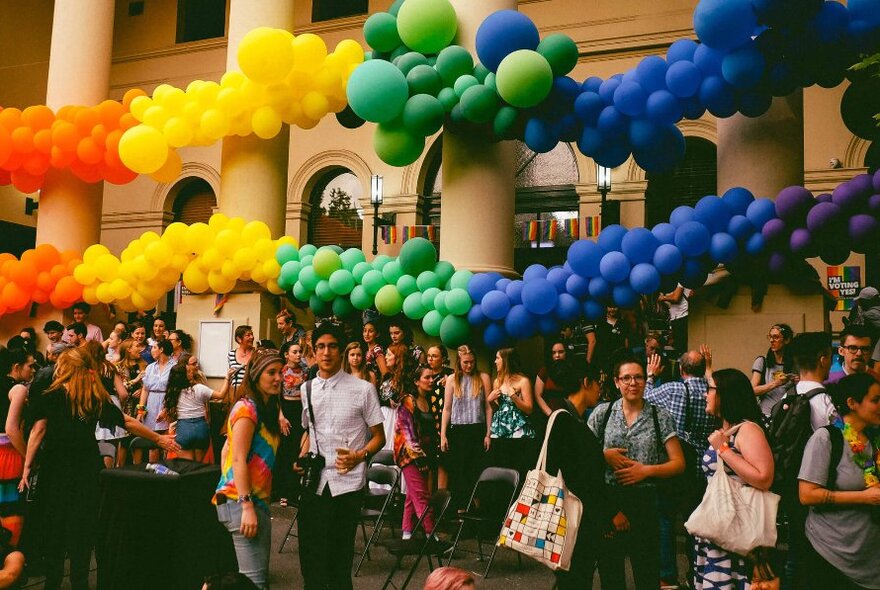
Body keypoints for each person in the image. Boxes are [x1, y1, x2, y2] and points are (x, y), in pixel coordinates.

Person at [19, 347, 178, 590]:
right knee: (82, 530)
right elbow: (126, 421)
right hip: (86, 468)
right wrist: (158, 439)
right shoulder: (94, 397)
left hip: (56, 469)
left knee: (56, 528)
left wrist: (27, 467)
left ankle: (52, 581)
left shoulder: (51, 395)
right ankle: (80, 581)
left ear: (65, 369)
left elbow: (38, 430)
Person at [297, 323, 385, 590]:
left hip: (347, 483)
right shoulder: (307, 389)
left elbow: (379, 437)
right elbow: (309, 429)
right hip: (314, 482)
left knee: (338, 557)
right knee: (310, 556)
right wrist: (302, 457)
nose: (326, 353)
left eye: (332, 346)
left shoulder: (363, 389)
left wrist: (360, 455)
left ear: (342, 351)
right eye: (321, 346)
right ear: (314, 350)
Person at [587, 355, 685, 590]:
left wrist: (646, 471)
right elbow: (583, 458)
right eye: (626, 378)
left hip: (645, 501)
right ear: (616, 382)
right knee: (611, 573)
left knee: (647, 572)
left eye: (638, 377)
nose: (633, 383)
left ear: (645, 380)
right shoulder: (603, 413)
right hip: (609, 501)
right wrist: (604, 456)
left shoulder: (659, 416)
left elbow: (679, 463)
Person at [545, 363, 626, 590]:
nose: (600, 390)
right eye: (598, 384)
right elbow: (579, 477)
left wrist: (600, 457)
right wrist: (610, 512)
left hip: (573, 514)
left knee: (572, 576)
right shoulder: (567, 422)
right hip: (577, 517)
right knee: (576, 577)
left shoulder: (564, 417)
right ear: (586, 383)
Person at [693, 368, 774, 590]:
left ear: (726, 394)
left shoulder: (747, 430)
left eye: (710, 389)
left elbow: (764, 478)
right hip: (720, 527)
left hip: (737, 533)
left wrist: (724, 450)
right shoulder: (726, 431)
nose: (704, 395)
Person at [798, 372, 880, 590]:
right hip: (830, 555)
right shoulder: (827, 439)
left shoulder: (875, 439)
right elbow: (807, 495)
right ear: (852, 403)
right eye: (875, 400)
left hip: (869, 560)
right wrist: (863, 498)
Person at [645, 348, 719, 587]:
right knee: (696, 522)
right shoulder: (712, 391)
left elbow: (644, 399)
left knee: (666, 520)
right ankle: (696, 574)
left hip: (675, 464)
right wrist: (709, 370)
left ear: (680, 369)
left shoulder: (675, 388)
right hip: (702, 469)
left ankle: (667, 576)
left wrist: (650, 376)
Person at [212, 347, 283, 589]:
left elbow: (226, 451)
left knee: (251, 580)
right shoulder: (247, 409)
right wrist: (245, 503)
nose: (278, 378)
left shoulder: (265, 408)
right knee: (255, 583)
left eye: (280, 372)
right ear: (255, 374)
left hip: (251, 500)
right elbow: (238, 459)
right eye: (271, 372)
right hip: (244, 502)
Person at [440, 344, 492, 510]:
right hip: (458, 431)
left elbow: (488, 407)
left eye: (472, 362)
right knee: (459, 473)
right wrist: (443, 435)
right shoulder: (452, 379)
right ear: (459, 362)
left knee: (475, 472)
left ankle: (476, 510)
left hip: (477, 430)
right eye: (465, 362)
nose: (469, 365)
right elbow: (447, 408)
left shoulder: (483, 377)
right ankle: (461, 512)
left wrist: (488, 433)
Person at [394, 366, 437, 539]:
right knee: (421, 495)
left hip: (425, 453)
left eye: (432, 377)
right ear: (416, 381)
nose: (431, 381)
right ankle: (430, 533)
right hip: (409, 455)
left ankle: (407, 532)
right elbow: (407, 433)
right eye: (427, 378)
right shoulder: (408, 401)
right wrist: (420, 458)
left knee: (412, 495)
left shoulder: (428, 400)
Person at [162, 358, 232, 461]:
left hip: (184, 428)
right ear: (185, 376)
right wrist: (227, 378)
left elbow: (169, 411)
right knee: (199, 467)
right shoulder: (199, 388)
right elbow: (221, 395)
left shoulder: (174, 392)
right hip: (201, 428)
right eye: (188, 371)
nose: (191, 371)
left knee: (187, 467)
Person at [0, 347, 35, 547]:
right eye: (30, 366)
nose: (33, 370)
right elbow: (12, 429)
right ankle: (9, 555)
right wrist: (29, 458)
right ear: (16, 367)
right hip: (7, 453)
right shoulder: (18, 389)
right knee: (10, 508)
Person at [487, 348, 536, 481]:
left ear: (506, 361)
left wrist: (514, 397)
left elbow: (529, 409)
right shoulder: (497, 381)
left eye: (498, 358)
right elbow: (497, 409)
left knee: (519, 468)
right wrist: (490, 401)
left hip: (518, 431)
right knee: (501, 467)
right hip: (501, 430)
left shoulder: (523, 381)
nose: (495, 361)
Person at [277, 340, 308, 507]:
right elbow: (277, 396)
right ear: (286, 354)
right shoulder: (281, 371)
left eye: (299, 351)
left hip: (300, 410)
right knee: (286, 451)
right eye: (294, 352)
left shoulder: (305, 371)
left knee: (299, 450)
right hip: (286, 410)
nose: (298, 354)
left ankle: (294, 492)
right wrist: (281, 416)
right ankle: (283, 492)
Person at [137, 338, 176, 464]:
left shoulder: (174, 366)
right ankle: (153, 470)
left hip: (167, 401)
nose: (151, 351)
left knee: (167, 439)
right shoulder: (150, 367)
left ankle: (167, 469)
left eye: (154, 348)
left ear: (161, 349)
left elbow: (175, 390)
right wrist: (141, 409)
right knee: (152, 442)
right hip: (152, 402)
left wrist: (166, 409)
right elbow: (145, 389)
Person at [751, 323, 797, 417]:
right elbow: (751, 390)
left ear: (787, 340)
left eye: (776, 337)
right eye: (770, 337)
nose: (771, 340)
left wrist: (799, 381)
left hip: (786, 416)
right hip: (765, 414)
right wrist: (776, 383)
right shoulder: (762, 361)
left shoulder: (795, 363)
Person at [426, 345, 452, 488]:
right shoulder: (423, 373)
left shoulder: (450, 375)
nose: (430, 359)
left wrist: (449, 384)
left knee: (444, 461)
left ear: (443, 359)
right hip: (428, 420)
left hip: (444, 421)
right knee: (429, 462)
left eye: (434, 356)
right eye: (429, 355)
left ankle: (442, 500)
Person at [378, 344, 409, 451]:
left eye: (389, 354)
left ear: (397, 358)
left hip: (395, 417)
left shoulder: (405, 379)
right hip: (384, 416)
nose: (385, 357)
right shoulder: (387, 376)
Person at [534, 340, 571, 419]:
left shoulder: (572, 370)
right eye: (554, 353)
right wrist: (550, 414)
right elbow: (537, 395)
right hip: (549, 414)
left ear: (566, 352)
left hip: (569, 414)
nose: (557, 355)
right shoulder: (545, 371)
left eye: (560, 352)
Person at [658, 284, 692, 354]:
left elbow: (676, 298)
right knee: (677, 345)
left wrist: (663, 298)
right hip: (674, 318)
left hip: (682, 316)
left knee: (682, 345)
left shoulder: (680, 282)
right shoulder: (667, 286)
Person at [228, 325, 256, 391]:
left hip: (251, 393)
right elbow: (230, 376)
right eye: (248, 335)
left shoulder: (256, 354)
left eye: (252, 334)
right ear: (239, 339)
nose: (252, 337)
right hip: (235, 394)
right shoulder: (231, 354)